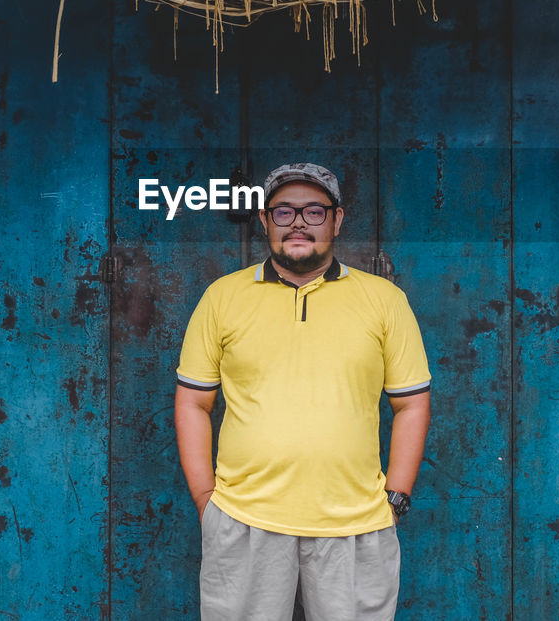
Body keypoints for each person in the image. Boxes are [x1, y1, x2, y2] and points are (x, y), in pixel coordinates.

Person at [174, 162, 432, 621]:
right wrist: (205, 501)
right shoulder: (223, 297)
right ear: (264, 220)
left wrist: (396, 498)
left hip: (356, 522)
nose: (297, 222)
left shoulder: (383, 300)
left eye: (314, 211)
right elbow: (194, 401)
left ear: (337, 219)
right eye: (283, 211)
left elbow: (411, 403)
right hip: (243, 519)